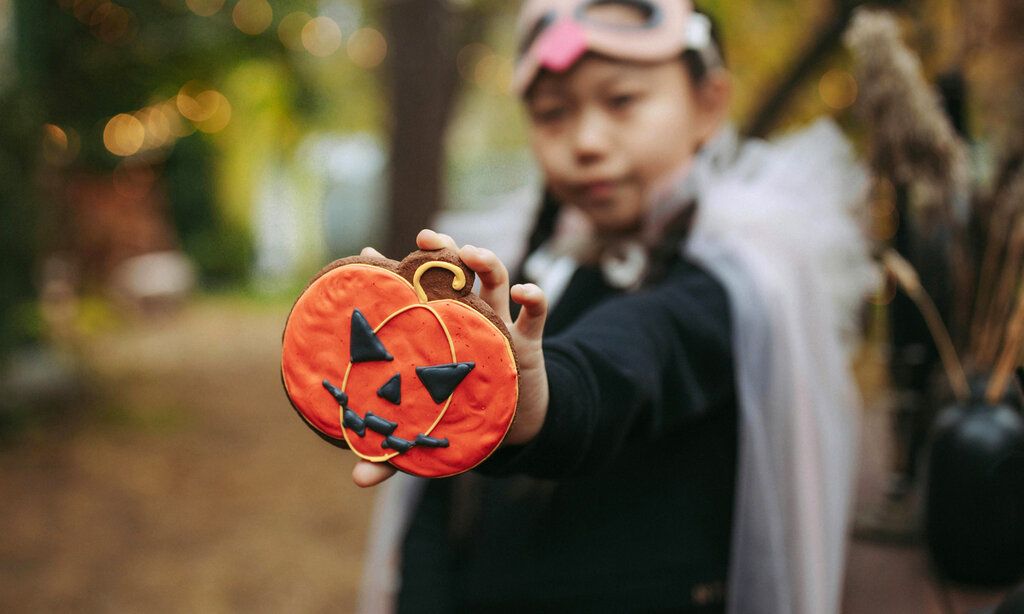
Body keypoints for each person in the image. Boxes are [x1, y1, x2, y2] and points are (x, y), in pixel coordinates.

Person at [352, 1, 877, 612]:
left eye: (622, 101)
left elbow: (631, 355)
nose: (587, 142)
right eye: (552, 114)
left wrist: (533, 400)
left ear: (707, 104)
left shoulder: (733, 283)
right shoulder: (530, 267)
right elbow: (441, 509)